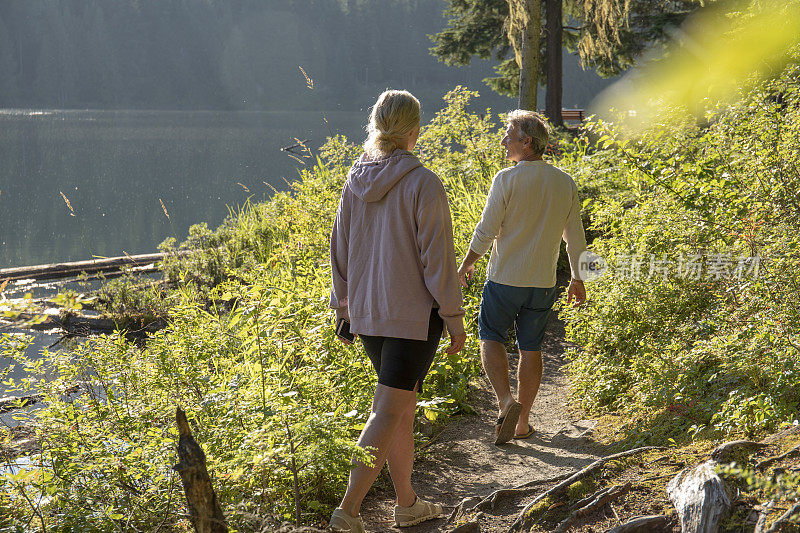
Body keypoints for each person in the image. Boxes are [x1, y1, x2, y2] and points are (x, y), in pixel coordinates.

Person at [329, 90, 467, 533]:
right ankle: (347, 512)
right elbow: (438, 258)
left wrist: (344, 307)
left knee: (401, 408)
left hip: (368, 315)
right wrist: (454, 317)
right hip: (411, 319)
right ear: (414, 130)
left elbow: (340, 251)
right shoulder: (423, 181)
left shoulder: (355, 180)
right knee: (389, 410)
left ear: (376, 126)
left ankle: (406, 504)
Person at [457, 110, 587, 445]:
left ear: (526, 141)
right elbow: (575, 236)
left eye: (508, 135)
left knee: (490, 335)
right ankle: (522, 423)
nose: (503, 141)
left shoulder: (506, 179)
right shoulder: (564, 182)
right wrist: (578, 278)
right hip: (543, 283)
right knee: (531, 347)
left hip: (504, 279)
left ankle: (505, 402)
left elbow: (486, 231)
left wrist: (467, 263)